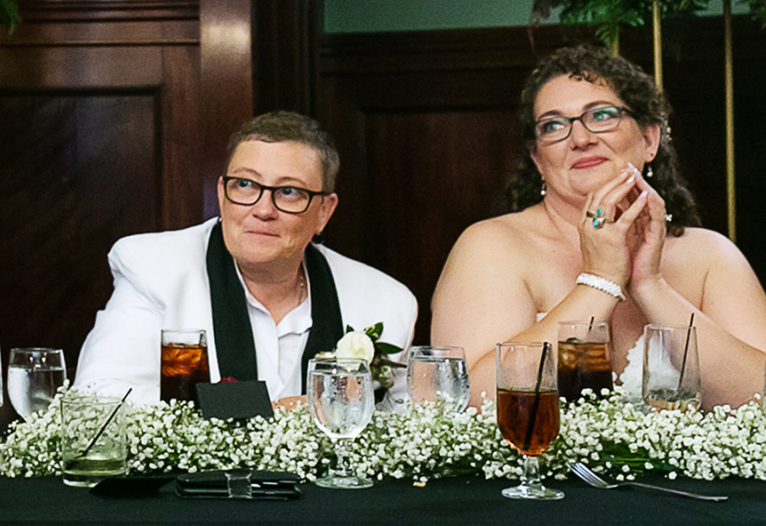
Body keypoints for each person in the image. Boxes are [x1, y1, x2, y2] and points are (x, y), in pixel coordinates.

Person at [431, 45, 766, 408]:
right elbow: (468, 403)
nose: (580, 139)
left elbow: (759, 399)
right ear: (538, 160)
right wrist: (600, 283)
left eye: (602, 115)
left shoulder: (710, 255)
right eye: (553, 126)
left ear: (650, 139)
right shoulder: (491, 246)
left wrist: (649, 285)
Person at [74, 112, 417, 405]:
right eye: (245, 186)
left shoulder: (384, 304)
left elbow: (403, 427)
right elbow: (100, 398)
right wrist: (264, 411)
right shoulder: (156, 269)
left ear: (324, 212)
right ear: (222, 195)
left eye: (289, 191)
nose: (263, 210)